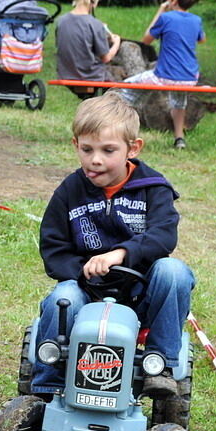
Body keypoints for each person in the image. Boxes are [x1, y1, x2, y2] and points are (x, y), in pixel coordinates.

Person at [33, 93, 194, 397]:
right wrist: (82, 270)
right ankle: (46, 383)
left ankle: (161, 365)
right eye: (87, 149)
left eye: (108, 150)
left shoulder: (154, 189)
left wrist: (122, 253)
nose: (95, 159)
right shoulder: (70, 191)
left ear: (133, 148)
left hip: (140, 293)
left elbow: (164, 235)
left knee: (174, 272)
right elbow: (53, 246)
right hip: (87, 292)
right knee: (61, 297)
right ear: (75, 145)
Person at [118, 0, 206, 150]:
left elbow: (146, 40)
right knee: (179, 102)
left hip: (163, 76)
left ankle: (118, 129)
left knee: (126, 88)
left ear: (173, 0)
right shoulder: (196, 20)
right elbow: (202, 39)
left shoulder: (166, 18)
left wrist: (161, 10)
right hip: (188, 78)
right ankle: (179, 138)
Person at [54, 0, 122, 100]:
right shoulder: (95, 24)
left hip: (65, 74)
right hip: (90, 76)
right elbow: (106, 58)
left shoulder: (61, 21)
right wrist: (116, 42)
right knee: (122, 85)